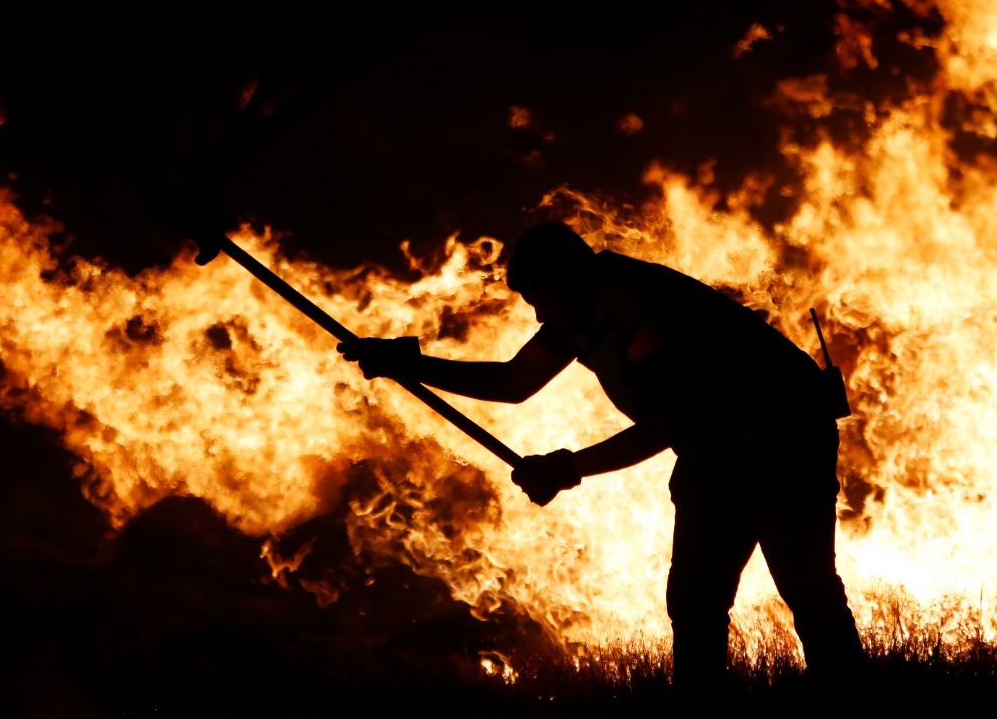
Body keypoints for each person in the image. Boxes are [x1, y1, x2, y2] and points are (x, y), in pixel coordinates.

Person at [337, 221, 866, 694]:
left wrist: (567, 468)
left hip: (785, 436)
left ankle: (846, 701)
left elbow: (665, 427)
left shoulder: (642, 314)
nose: (540, 315)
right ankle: (700, 718)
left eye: (542, 300)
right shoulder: (578, 309)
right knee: (695, 600)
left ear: (571, 281)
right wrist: (411, 366)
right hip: (715, 448)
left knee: (806, 585)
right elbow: (513, 382)